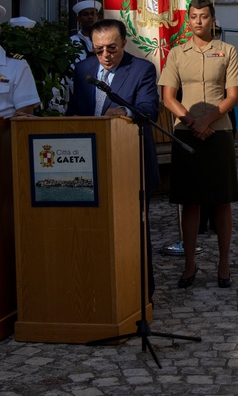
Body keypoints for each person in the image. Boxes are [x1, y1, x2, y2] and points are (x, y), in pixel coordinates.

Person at [67, 18, 160, 297]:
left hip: (128, 161)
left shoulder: (141, 69)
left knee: (133, 230)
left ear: (124, 43)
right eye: (98, 50)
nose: (105, 55)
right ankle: (95, 287)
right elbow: (74, 111)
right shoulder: (83, 69)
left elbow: (148, 109)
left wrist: (124, 113)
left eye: (112, 48)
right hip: (88, 164)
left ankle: (140, 292)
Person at [159, 0, 238, 289]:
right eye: (194, 16)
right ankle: (189, 265)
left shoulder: (228, 51)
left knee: (222, 200)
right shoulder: (176, 53)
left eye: (204, 16)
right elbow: (168, 97)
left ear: (213, 19)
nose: (199, 21)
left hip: (218, 132)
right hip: (186, 134)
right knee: (190, 201)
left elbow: (233, 95)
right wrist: (190, 121)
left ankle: (223, 264)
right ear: (188, 19)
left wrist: (207, 120)